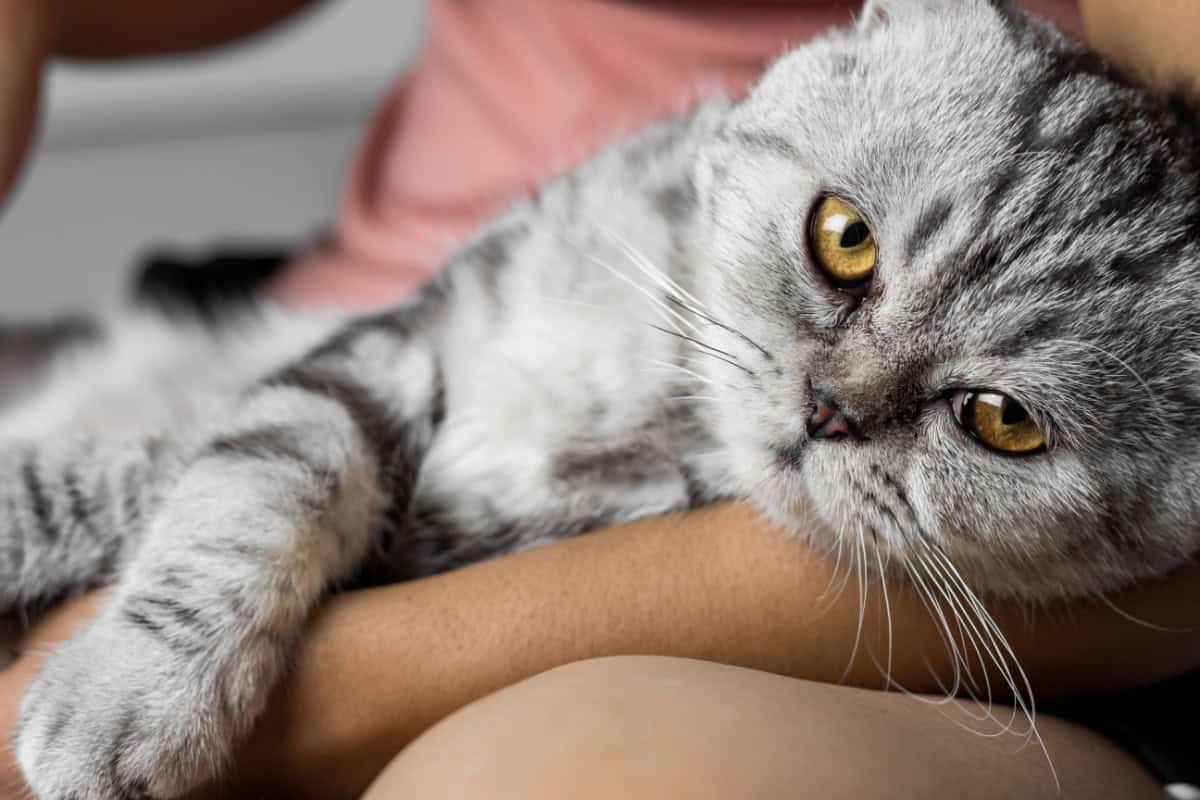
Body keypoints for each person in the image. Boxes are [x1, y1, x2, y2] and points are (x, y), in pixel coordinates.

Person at [0, 1, 1196, 798]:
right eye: (844, 250)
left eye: (999, 420)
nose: (839, 403)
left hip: (958, 671)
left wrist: (319, 690)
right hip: (343, 334)